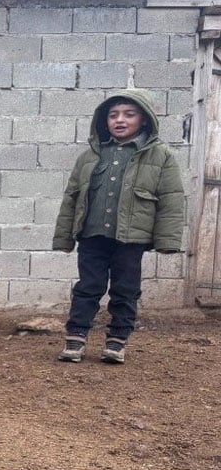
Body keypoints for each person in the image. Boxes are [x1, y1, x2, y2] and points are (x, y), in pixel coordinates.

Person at [52, 88, 186, 364]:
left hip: (131, 239)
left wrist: (168, 241)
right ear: (104, 120)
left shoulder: (161, 156)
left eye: (129, 114)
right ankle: (76, 337)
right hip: (92, 235)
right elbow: (72, 198)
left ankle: (117, 341)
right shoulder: (90, 156)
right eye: (113, 115)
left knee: (125, 289)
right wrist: (64, 237)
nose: (120, 120)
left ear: (145, 119)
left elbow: (171, 200)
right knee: (88, 286)